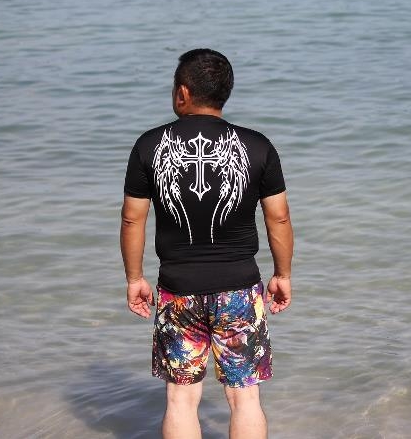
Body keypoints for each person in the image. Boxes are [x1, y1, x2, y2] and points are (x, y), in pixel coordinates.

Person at [120, 48, 293, 439]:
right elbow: (279, 217)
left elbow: (132, 218)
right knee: (245, 397)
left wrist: (134, 278)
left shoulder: (149, 145)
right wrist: (282, 274)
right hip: (239, 290)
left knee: (180, 399)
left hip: (178, 290)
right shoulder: (257, 146)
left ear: (182, 92)